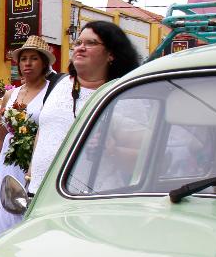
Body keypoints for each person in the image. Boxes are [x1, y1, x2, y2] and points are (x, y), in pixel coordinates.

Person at [28, 21, 141, 190]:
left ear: (111, 54)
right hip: (40, 195)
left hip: (86, 202)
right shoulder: (58, 83)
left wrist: (113, 150)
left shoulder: (123, 95)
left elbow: (145, 158)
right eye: (78, 42)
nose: (81, 47)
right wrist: (31, 175)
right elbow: (44, 130)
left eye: (91, 43)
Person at [0, 36, 56, 249]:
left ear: (44, 63)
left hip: (33, 163)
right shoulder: (10, 95)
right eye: (24, 59)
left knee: (25, 209)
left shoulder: (52, 93)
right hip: (6, 163)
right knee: (0, 209)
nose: (27, 64)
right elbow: (1, 136)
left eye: (34, 59)